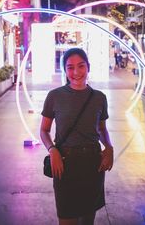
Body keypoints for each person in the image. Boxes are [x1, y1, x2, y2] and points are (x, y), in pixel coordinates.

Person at [40, 48, 114, 225]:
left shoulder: (99, 98)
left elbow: (102, 129)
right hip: (64, 163)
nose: (76, 72)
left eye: (81, 66)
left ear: (88, 67)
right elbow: (44, 130)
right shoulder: (55, 96)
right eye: (70, 67)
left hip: (92, 164)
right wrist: (53, 151)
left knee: (88, 219)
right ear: (64, 70)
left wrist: (109, 148)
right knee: (67, 218)